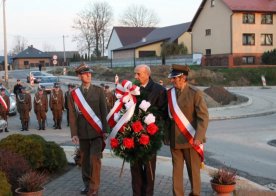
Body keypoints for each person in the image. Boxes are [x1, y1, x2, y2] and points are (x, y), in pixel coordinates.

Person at [166, 64, 209, 196]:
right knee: (176, 173)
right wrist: (166, 136)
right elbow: (167, 117)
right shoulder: (169, 94)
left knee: (194, 173)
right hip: (175, 140)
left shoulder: (195, 94)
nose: (172, 80)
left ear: (183, 78)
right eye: (172, 78)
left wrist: (198, 137)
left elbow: (203, 117)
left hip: (191, 140)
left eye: (175, 78)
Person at [68, 63, 108, 196]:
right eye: (85, 73)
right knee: (84, 161)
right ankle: (87, 184)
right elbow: (72, 115)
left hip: (97, 131)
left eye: (89, 73)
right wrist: (74, 133)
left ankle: (94, 187)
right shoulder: (73, 94)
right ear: (79, 76)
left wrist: (106, 130)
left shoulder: (99, 91)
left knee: (95, 159)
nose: (89, 75)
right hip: (82, 132)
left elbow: (104, 111)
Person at [132, 64, 168, 196]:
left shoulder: (159, 90)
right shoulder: (133, 89)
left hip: (150, 136)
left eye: (138, 74)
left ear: (147, 74)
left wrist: (151, 124)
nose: (135, 76)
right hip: (133, 135)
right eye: (135, 74)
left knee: (148, 169)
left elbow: (164, 114)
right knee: (135, 168)